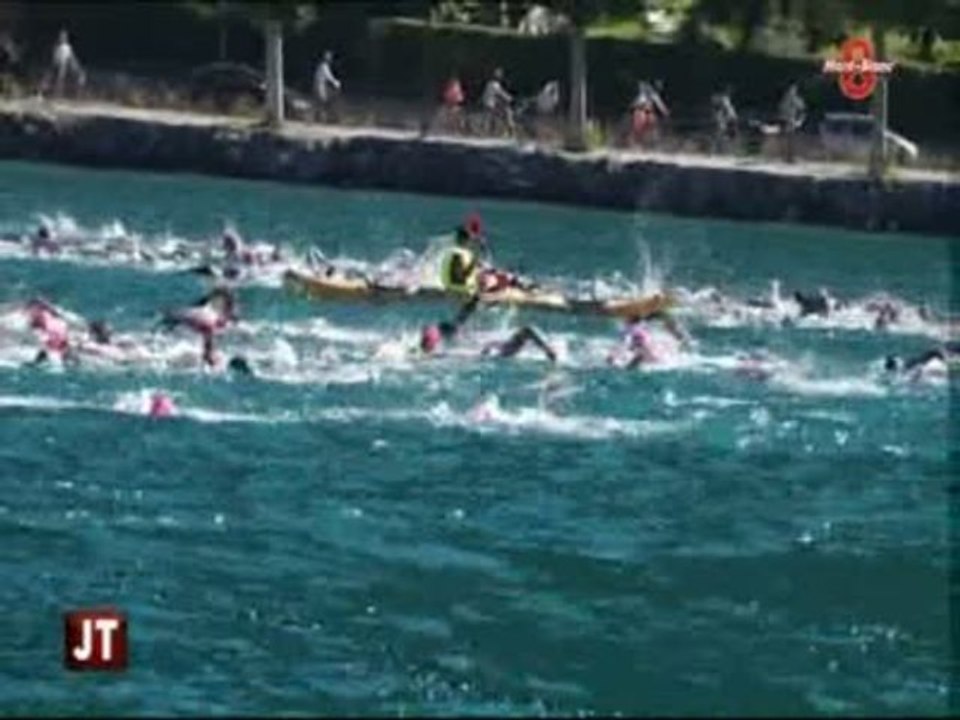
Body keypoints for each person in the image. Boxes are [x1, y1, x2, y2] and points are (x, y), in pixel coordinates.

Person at [419, 294, 556, 363]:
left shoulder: (503, 349)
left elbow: (527, 331)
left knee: (455, 327)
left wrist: (547, 350)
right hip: (478, 344)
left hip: (479, 346)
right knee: (455, 326)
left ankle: (426, 345)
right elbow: (527, 331)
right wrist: (547, 350)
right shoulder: (502, 346)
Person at [608, 310, 693, 368]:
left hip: (648, 356)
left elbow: (625, 343)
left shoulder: (629, 330)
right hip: (657, 355)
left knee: (639, 353)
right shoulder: (642, 327)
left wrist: (612, 357)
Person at [44, 29, 85, 99]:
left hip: (68, 66)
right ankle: (55, 93)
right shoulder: (58, 47)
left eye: (64, 36)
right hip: (61, 65)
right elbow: (56, 59)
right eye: (61, 36)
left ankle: (71, 94)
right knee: (55, 78)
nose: (62, 38)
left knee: (78, 77)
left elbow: (69, 59)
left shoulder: (66, 47)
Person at [884, 341, 959, 378]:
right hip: (933, 356)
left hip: (932, 355)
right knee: (917, 365)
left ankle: (897, 363)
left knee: (915, 364)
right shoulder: (940, 353)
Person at [629, 79, 669, 147]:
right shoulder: (644, 93)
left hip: (648, 111)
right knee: (639, 127)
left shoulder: (654, 95)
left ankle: (652, 140)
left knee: (653, 123)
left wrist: (665, 111)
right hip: (641, 110)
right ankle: (635, 141)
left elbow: (659, 103)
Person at [482, 67, 515, 137]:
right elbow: (501, 93)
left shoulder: (489, 84)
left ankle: (492, 133)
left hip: (489, 103)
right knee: (504, 115)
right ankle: (506, 133)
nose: (500, 77)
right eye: (499, 76)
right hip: (490, 104)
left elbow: (499, 94)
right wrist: (510, 99)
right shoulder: (495, 85)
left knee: (492, 119)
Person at [779, 82, 806, 163]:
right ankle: (787, 157)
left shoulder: (795, 99)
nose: (791, 91)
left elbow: (802, 110)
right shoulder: (785, 99)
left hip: (792, 121)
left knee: (791, 138)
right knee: (786, 139)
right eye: (790, 89)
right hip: (786, 120)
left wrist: (799, 120)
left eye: (793, 89)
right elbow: (782, 110)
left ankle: (791, 157)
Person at [314, 50, 341, 123]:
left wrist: (334, 82)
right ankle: (320, 118)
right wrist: (335, 82)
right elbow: (328, 76)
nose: (330, 60)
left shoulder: (324, 66)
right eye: (329, 58)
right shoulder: (323, 66)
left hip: (321, 84)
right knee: (322, 100)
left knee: (322, 100)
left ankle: (319, 117)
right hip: (320, 84)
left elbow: (328, 76)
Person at [711, 85, 738, 154]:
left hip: (728, 118)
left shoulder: (725, 99)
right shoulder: (724, 99)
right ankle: (718, 150)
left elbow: (727, 110)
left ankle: (724, 150)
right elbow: (724, 110)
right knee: (722, 134)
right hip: (727, 118)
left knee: (727, 134)